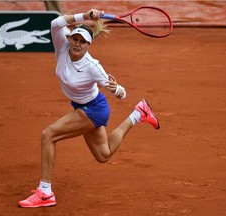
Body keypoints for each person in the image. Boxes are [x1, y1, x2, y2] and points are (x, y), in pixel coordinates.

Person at [18, 9, 160, 208]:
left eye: (82, 42)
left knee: (48, 135)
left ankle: (45, 192)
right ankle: (139, 113)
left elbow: (122, 93)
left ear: (88, 45)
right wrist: (84, 16)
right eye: (75, 39)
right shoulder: (62, 46)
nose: (77, 44)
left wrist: (116, 89)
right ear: (70, 39)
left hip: (93, 109)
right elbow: (55, 23)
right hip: (82, 106)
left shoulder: (93, 66)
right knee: (104, 155)